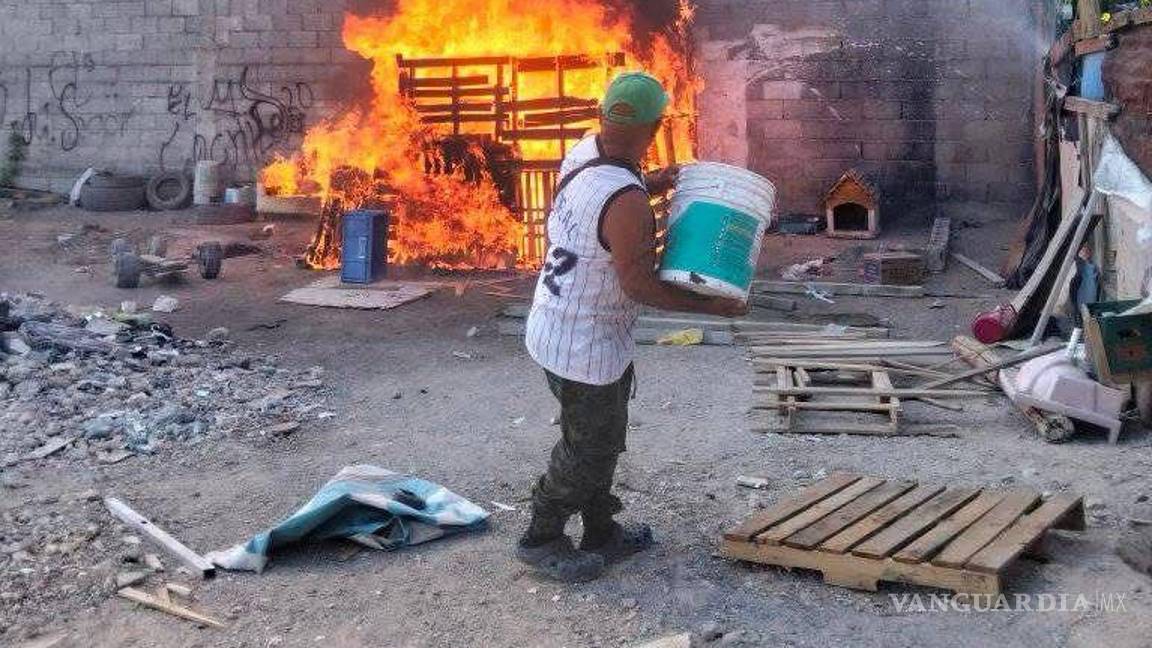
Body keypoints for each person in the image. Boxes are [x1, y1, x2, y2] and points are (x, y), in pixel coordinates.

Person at [517, 72, 748, 582]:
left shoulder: (584, 152)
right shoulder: (626, 203)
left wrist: (655, 181)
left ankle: (601, 531)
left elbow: (608, 197)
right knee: (589, 447)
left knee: (601, 435)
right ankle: (541, 536)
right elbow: (639, 285)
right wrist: (711, 306)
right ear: (656, 127)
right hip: (585, 345)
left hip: (556, 322)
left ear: (603, 116)